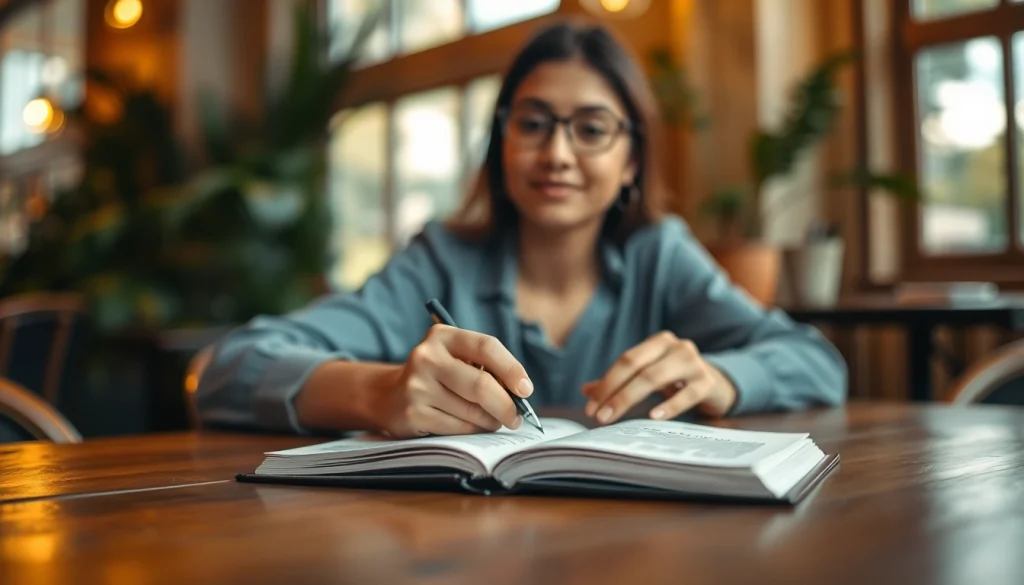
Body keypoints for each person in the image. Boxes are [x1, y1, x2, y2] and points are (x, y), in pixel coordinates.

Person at [195, 18, 847, 439]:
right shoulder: (440, 262)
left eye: (591, 129)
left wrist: (720, 377)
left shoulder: (660, 255)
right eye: (533, 123)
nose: (558, 154)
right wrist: (375, 392)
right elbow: (226, 368)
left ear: (632, 162)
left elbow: (817, 361)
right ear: (500, 143)